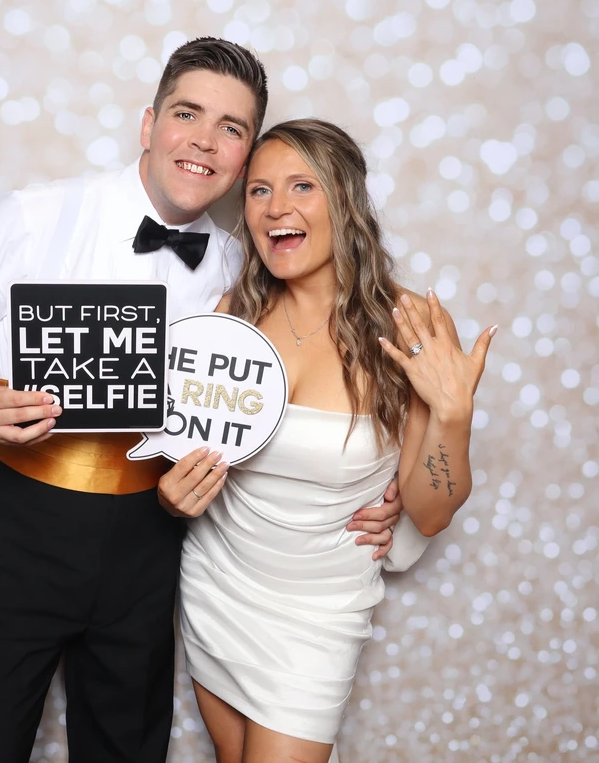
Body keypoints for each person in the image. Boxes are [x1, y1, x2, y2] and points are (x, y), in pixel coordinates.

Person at [0, 41, 402, 763]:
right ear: (147, 124)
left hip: (152, 535)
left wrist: (380, 492)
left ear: (244, 157)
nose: (204, 140)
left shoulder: (246, 267)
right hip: (13, 523)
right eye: (187, 114)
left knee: (128, 748)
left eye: (231, 127)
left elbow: (304, 385)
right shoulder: (37, 215)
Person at [158, 118, 497, 762]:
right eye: (258, 190)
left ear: (346, 199)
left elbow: (430, 513)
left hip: (319, 612)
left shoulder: (411, 326)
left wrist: (453, 414)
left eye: (301, 186)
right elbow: (184, 450)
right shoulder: (232, 316)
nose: (275, 208)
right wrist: (172, 494)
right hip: (217, 585)